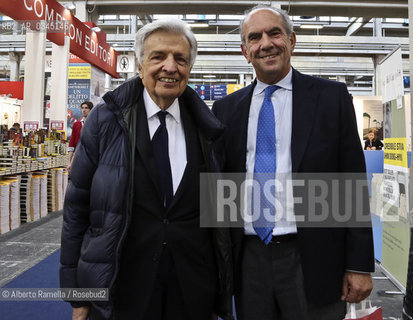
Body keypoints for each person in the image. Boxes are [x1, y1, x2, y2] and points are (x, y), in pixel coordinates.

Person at [60, 18, 232, 320]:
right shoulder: (105, 122)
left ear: (189, 68)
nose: (170, 66)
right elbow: (77, 207)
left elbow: (220, 214)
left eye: (180, 58)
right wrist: (78, 294)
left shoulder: (209, 129)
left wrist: (220, 289)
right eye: (158, 57)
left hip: (192, 290)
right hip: (121, 289)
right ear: (140, 66)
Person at [212, 5, 374, 320]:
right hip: (248, 259)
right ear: (245, 52)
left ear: (292, 40)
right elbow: (221, 189)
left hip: (313, 255)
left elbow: (352, 182)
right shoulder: (225, 110)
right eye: (255, 38)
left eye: (275, 33)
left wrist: (359, 264)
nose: (266, 43)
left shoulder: (331, 98)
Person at [67, 101, 93, 171]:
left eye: (86, 108)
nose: (84, 110)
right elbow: (72, 143)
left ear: (91, 110)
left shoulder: (95, 125)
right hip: (78, 157)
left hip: (92, 158)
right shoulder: (76, 125)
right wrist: (69, 162)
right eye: (82, 108)